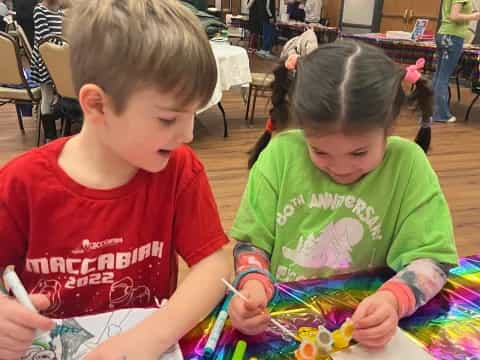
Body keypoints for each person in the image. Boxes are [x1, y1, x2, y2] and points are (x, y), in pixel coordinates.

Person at [0, 0, 231, 359]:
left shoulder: (178, 169)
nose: (187, 133)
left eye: (193, 114)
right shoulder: (21, 183)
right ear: (96, 105)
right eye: (169, 119)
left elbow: (214, 264)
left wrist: (150, 337)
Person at [228, 40, 458, 348]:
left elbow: (431, 259)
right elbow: (251, 243)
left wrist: (393, 300)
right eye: (319, 151)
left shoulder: (408, 165)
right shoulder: (281, 156)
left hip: (365, 333)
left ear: (388, 128)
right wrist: (252, 283)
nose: (340, 168)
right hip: (283, 325)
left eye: (359, 152)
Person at [433, 0, 480, 123]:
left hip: (443, 33)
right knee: (443, 77)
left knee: (438, 75)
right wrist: (474, 16)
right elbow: (454, 16)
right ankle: (441, 114)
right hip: (453, 36)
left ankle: (430, 110)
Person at [30, 0, 63, 142]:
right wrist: (65, 44)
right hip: (45, 59)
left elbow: (60, 33)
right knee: (47, 95)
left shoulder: (59, 9)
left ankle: (62, 123)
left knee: (59, 91)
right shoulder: (39, 10)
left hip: (58, 56)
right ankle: (50, 135)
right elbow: (45, 38)